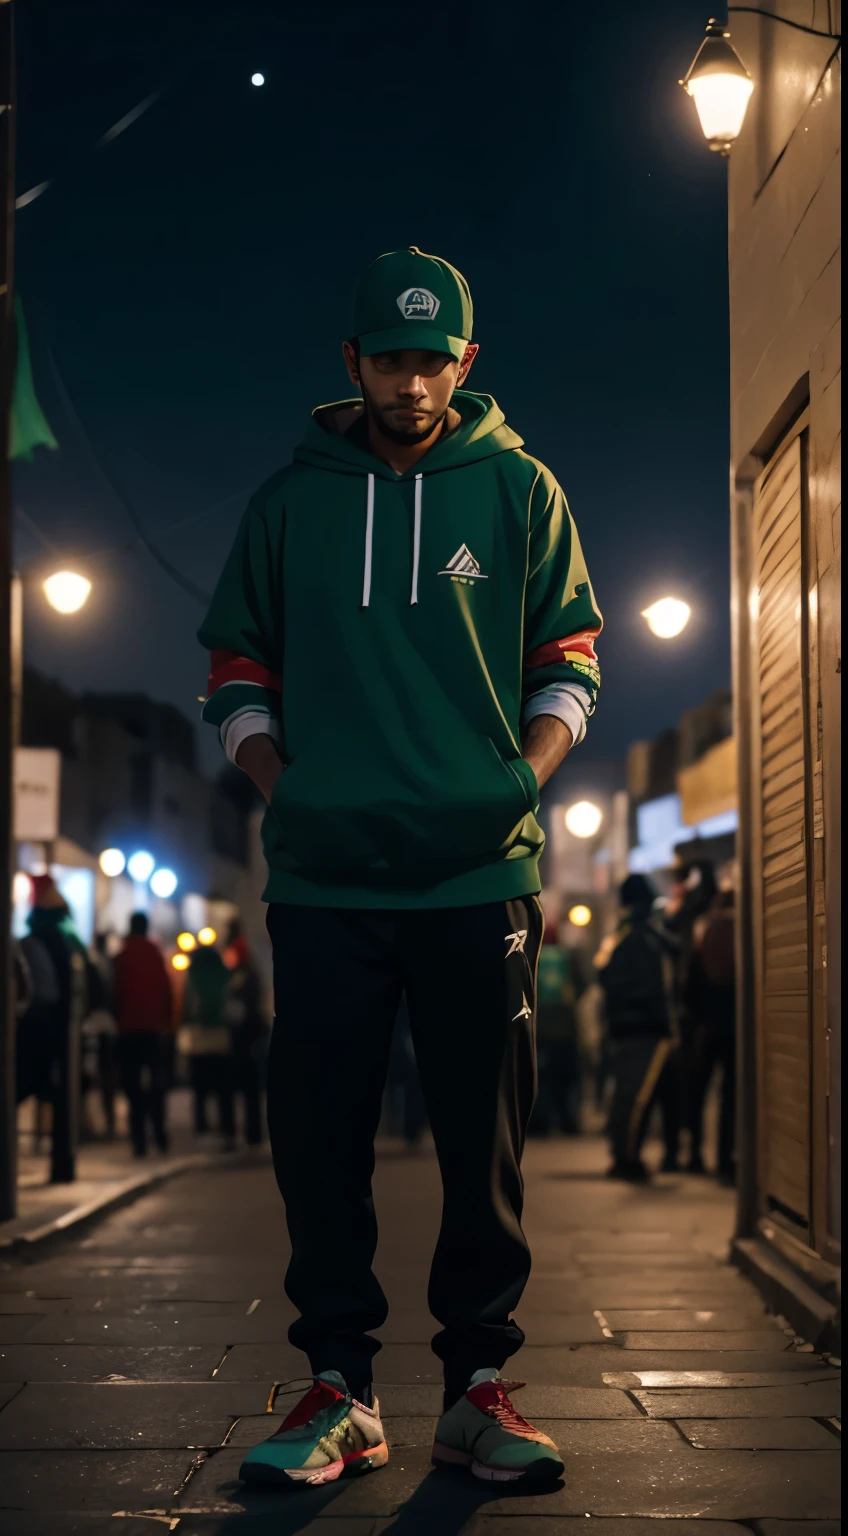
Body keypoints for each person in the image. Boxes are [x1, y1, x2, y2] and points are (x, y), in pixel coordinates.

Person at [198, 246, 602, 1486]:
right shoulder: (288, 502)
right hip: (326, 879)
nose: (412, 382)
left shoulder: (521, 490)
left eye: (434, 360)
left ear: (464, 363)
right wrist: (289, 791)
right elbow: (235, 675)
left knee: (483, 1139)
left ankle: (478, 1389)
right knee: (319, 1135)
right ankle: (339, 1389)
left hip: (479, 875)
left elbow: (570, 663)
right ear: (352, 363)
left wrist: (513, 784)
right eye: (391, 357)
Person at [596, 874, 680, 1181]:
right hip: (645, 1028)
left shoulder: (624, 936)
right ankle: (626, 1158)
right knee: (635, 1097)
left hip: (628, 1027)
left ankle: (625, 1155)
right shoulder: (642, 938)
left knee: (627, 1094)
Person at [684, 879, 736, 1183]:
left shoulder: (704, 930)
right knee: (731, 1095)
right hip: (734, 1026)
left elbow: (689, 981)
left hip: (705, 1027)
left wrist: (695, 1017)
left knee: (697, 1092)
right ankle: (726, 1161)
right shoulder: (744, 930)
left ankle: (693, 1154)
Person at [113, 913, 173, 1157]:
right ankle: (159, 1135)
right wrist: (167, 1023)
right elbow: (166, 990)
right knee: (157, 1085)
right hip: (153, 1030)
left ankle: (138, 1140)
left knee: (133, 1087)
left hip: (128, 1029)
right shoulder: (155, 955)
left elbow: (115, 992)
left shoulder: (123, 956)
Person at [529, 920, 584, 1136]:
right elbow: (581, 985)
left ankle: (539, 1123)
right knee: (566, 1079)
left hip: (539, 1028)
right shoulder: (567, 958)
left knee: (541, 1078)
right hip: (565, 1028)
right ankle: (567, 1122)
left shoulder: (534, 957)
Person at [180, 941, 236, 1149]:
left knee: (200, 1089)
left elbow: (188, 1006)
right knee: (224, 1089)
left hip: (199, 1039)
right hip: (221, 1038)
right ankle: (228, 1129)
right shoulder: (224, 975)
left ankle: (202, 1128)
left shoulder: (193, 976)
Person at [223, 926, 268, 1146]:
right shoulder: (249, 973)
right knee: (248, 1087)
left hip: (241, 1035)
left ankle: (238, 1133)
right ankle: (252, 1133)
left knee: (235, 1086)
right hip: (249, 1034)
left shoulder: (235, 975)